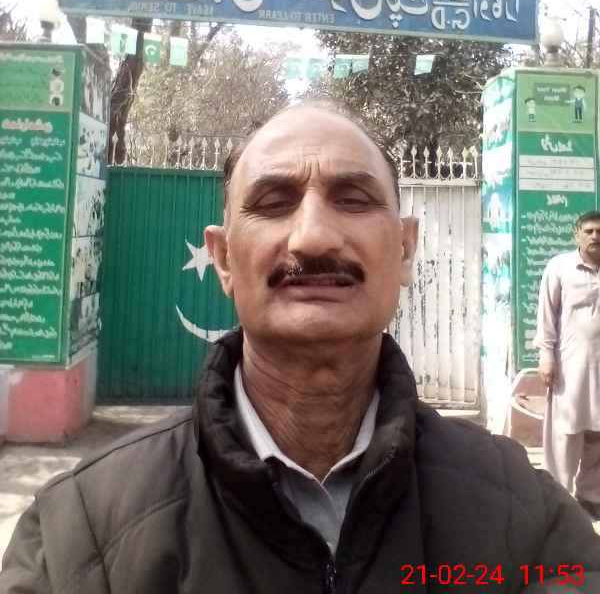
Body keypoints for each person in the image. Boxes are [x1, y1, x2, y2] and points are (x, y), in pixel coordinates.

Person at [2, 101, 599, 594]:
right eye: (272, 204)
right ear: (223, 258)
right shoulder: (80, 536)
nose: (313, 237)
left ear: (405, 249)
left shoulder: (524, 520)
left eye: (354, 199)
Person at [535, 210, 600, 520]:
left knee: (598, 437)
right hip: (570, 368)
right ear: (577, 234)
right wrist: (546, 356)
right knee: (565, 434)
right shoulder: (560, 267)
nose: (595, 236)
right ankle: (558, 498)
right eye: (589, 231)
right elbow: (546, 314)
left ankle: (591, 497)